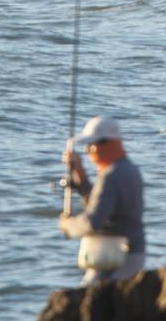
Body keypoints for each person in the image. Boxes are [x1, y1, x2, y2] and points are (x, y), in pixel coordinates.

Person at [60, 115, 146, 285]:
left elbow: (94, 220)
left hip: (120, 257)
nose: (88, 151)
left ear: (106, 144)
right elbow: (104, 204)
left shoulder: (110, 175)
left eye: (90, 145)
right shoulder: (129, 169)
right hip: (124, 253)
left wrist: (68, 226)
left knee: (89, 295)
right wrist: (81, 176)